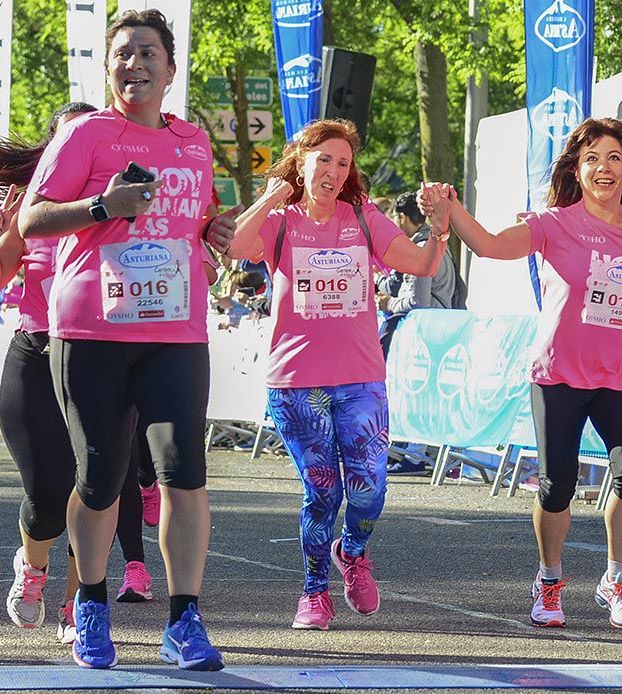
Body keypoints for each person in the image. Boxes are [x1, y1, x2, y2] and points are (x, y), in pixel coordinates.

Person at [18, 9, 236, 671]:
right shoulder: (86, 134)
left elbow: (195, 219)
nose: (134, 64)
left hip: (175, 331)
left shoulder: (195, 142)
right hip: (93, 330)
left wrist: (212, 233)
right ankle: (89, 601)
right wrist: (101, 209)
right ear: (108, 68)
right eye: (122, 54)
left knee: (185, 474)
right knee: (101, 478)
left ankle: (185, 620)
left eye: (147, 53)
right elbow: (32, 219)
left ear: (170, 68)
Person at [420, 117, 622, 631]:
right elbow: (491, 246)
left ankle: (617, 577)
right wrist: (452, 209)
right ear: (578, 169)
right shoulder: (555, 224)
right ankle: (549, 579)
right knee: (557, 487)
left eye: (614, 157)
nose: (603, 168)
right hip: (560, 375)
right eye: (592, 158)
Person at [0, 101, 160, 640]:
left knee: (93, 489)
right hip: (36, 355)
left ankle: (76, 606)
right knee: (46, 497)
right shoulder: (33, 209)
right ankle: (32, 566)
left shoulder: (123, 206)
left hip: (97, 357)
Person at [227, 118, 448, 631]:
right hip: (296, 381)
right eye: (323, 159)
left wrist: (438, 229)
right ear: (302, 163)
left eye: (342, 162)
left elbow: (420, 265)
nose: (332, 170)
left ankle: (352, 551)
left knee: (369, 487)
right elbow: (236, 248)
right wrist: (269, 198)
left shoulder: (363, 218)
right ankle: (314, 591)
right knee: (323, 491)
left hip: (360, 377)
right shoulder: (280, 222)